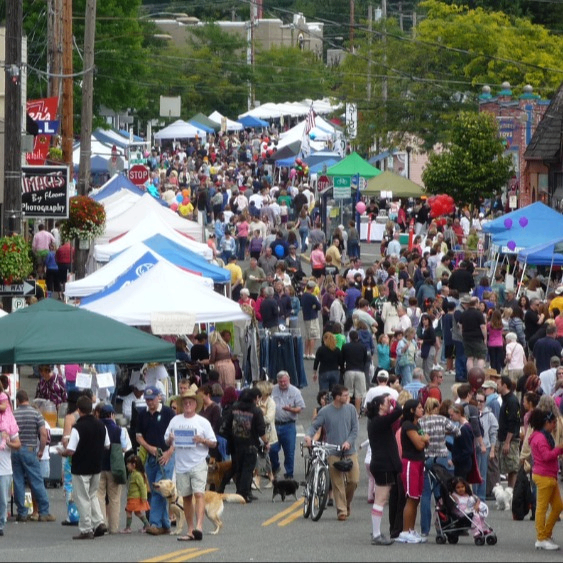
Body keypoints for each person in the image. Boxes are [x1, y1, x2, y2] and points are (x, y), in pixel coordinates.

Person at [165, 390, 217, 541]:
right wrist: (170, 438)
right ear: (182, 404)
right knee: (186, 497)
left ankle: (199, 527)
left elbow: (213, 443)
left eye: (191, 402)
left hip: (198, 462)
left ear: (195, 405)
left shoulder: (202, 422)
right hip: (181, 464)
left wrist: (202, 440)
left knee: (199, 494)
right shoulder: (175, 421)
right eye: (185, 402)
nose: (188, 404)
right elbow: (167, 440)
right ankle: (190, 529)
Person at [305, 384, 359, 522]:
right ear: (337, 397)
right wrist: (308, 436)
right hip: (333, 450)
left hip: (349, 451)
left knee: (353, 481)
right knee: (337, 482)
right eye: (345, 395)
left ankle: (347, 503)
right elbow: (314, 426)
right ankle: (341, 510)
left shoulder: (351, 409)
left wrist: (348, 442)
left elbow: (354, 430)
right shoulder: (325, 411)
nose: (348, 398)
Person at [60, 395, 110, 540]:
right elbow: (107, 445)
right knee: (92, 495)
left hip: (81, 467)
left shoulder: (78, 428)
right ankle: (99, 522)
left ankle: (86, 528)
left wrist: (62, 453)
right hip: (96, 466)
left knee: (82, 498)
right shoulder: (102, 425)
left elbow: (71, 450)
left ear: (79, 410)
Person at [135, 386, 176, 536]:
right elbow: (138, 436)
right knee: (153, 489)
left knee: (160, 487)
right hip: (151, 455)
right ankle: (165, 524)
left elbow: (175, 435)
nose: (149, 402)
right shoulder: (142, 414)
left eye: (151, 399)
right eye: (147, 399)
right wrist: (148, 447)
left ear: (159, 397)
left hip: (166, 455)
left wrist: (169, 452)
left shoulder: (168, 412)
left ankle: (154, 523)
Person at [11, 390, 55, 523]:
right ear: (27, 400)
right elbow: (43, 434)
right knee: (36, 481)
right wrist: (41, 450)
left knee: (18, 481)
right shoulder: (36, 413)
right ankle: (43, 512)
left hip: (15, 450)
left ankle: (22, 512)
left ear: (18, 401)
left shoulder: (13, 414)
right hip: (30, 449)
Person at [419, 398, 459, 537]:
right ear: (436, 408)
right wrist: (444, 433)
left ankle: (424, 530)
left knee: (425, 494)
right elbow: (457, 431)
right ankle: (443, 524)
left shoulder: (421, 421)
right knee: (442, 492)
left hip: (427, 457)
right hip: (441, 457)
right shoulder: (442, 420)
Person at [365, 393, 403, 545]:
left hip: (383, 464)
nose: (389, 404)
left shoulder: (376, 421)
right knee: (381, 499)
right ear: (380, 406)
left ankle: (376, 531)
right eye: (386, 402)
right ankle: (376, 534)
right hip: (384, 464)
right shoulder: (379, 421)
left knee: (381, 499)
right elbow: (399, 411)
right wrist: (394, 400)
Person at [219, 388, 267, 503]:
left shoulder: (234, 408)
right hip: (250, 444)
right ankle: (243, 493)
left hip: (235, 444)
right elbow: (261, 430)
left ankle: (224, 488)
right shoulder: (256, 411)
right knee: (247, 469)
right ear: (255, 398)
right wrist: (266, 442)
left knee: (236, 467)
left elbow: (226, 425)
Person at [528, 408, 563, 551]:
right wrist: (559, 449)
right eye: (553, 423)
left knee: (558, 506)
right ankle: (541, 538)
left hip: (548, 475)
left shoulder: (540, 435)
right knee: (542, 508)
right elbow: (547, 456)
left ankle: (546, 534)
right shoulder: (540, 438)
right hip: (544, 476)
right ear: (546, 423)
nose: (554, 425)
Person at [396, 399, 429, 543]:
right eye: (420, 408)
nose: (422, 409)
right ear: (412, 410)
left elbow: (425, 441)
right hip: (410, 463)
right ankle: (404, 531)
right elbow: (420, 444)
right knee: (411, 497)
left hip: (420, 462)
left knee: (417, 498)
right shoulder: (408, 425)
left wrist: (424, 439)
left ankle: (411, 530)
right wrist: (424, 438)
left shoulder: (418, 424)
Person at [97, 403, 132, 534]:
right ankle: (114, 527)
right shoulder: (119, 430)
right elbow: (125, 447)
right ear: (112, 415)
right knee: (114, 498)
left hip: (98, 466)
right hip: (114, 466)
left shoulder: (97, 427)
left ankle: (101, 523)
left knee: (99, 495)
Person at [269, 371, 306, 480]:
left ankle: (289, 473)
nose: (283, 384)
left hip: (288, 425)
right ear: (277, 381)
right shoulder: (272, 389)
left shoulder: (295, 391)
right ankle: (275, 467)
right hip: (274, 425)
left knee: (289, 451)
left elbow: (300, 408)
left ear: (289, 380)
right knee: (272, 449)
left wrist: (291, 409)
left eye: (285, 381)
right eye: (280, 382)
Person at [0, 391, 20, 536]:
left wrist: (8, 442)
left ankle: (0, 524)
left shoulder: (10, 420)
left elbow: (18, 443)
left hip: (4, 468)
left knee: (2, 500)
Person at [474, 390, 498, 501]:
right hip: (473, 447)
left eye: (481, 401)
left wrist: (492, 450)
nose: (479, 403)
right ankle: (473, 498)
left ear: (485, 402)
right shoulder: (471, 413)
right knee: (474, 473)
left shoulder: (490, 415)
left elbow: (493, 432)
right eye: (477, 400)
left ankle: (481, 498)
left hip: (486, 447)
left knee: (482, 474)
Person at [497, 375, 521, 489]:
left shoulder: (512, 401)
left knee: (512, 468)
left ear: (504, 385)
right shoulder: (505, 399)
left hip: (511, 440)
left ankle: (512, 492)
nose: (497, 386)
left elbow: (513, 422)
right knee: (508, 468)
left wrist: (507, 442)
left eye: (498, 384)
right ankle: (510, 492)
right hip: (503, 438)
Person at [120, 455, 150, 534]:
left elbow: (142, 487)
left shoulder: (137, 475)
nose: (127, 466)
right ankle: (146, 525)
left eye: (128, 464)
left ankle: (128, 527)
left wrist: (144, 497)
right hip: (132, 497)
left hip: (134, 498)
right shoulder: (133, 474)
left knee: (129, 511)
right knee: (137, 512)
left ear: (133, 465)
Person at [341, 330, 368, 415]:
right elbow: (365, 359)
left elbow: (342, 360)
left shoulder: (345, 346)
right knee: (359, 393)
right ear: (358, 337)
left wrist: (343, 369)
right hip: (360, 371)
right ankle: (357, 412)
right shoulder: (363, 347)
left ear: (349, 337)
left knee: (348, 392)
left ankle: (347, 411)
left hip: (349, 370)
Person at [446, 403, 474, 480]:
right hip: (462, 463)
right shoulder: (462, 427)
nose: (450, 418)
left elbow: (468, 450)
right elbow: (458, 447)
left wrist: (454, 460)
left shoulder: (464, 429)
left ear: (459, 413)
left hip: (463, 465)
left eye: (452, 415)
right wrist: (446, 444)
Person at [301, 280, 322, 358]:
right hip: (312, 317)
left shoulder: (303, 296)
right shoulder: (312, 297)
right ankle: (311, 353)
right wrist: (315, 306)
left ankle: (306, 353)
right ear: (312, 288)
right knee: (313, 335)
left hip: (305, 317)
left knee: (307, 336)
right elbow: (319, 306)